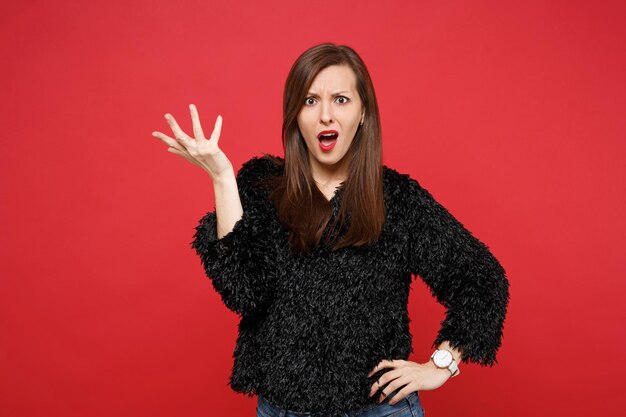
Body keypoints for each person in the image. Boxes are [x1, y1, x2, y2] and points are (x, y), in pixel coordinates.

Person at [151, 43, 510, 417]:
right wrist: (223, 178)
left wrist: (441, 365)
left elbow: (483, 279)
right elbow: (244, 292)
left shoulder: (398, 200)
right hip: (283, 410)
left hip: (379, 411)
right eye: (310, 101)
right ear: (294, 115)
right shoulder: (262, 187)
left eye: (340, 99)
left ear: (363, 112)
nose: (325, 115)